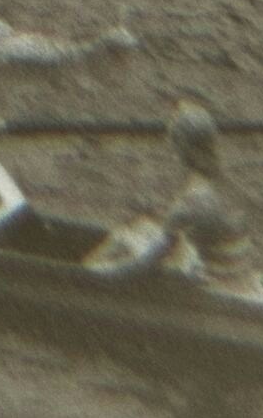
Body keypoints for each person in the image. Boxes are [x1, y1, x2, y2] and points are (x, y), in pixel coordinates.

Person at [82, 105, 253, 285]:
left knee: (126, 236)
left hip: (214, 286)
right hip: (236, 275)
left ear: (179, 148)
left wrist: (99, 278)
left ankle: (87, 270)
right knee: (145, 228)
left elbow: (146, 263)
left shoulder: (194, 200)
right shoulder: (227, 183)